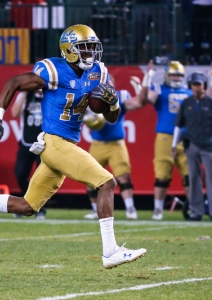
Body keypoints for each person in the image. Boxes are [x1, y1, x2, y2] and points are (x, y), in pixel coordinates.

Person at [0, 24, 146, 269]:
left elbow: (110, 118)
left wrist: (113, 103)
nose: (90, 54)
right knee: (106, 182)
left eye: (92, 49)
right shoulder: (55, 70)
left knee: (27, 206)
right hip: (55, 142)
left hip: (64, 143)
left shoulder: (98, 72)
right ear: (70, 50)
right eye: (84, 49)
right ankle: (110, 252)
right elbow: (14, 82)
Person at [83, 75, 142, 220]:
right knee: (90, 178)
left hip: (116, 144)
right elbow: (81, 115)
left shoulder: (121, 96)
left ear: (114, 84)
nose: (106, 86)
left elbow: (138, 103)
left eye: (108, 82)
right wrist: (88, 117)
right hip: (98, 143)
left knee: (123, 176)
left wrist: (137, 87)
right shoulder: (92, 99)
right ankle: (94, 209)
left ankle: (130, 208)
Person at [140, 60, 192, 220]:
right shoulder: (159, 89)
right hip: (165, 137)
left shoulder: (190, 91)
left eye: (179, 75)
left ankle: (193, 207)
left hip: (187, 137)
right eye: (173, 75)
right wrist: (148, 77)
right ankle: (158, 209)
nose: (176, 78)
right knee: (162, 175)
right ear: (167, 76)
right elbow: (145, 98)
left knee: (189, 175)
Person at [172, 71, 212, 221]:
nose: (196, 87)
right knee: (194, 179)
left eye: (199, 84)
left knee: (211, 179)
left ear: (204, 86)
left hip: (209, 145)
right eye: (194, 84)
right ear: (190, 86)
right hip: (191, 145)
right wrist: (174, 145)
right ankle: (196, 212)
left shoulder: (210, 102)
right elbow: (178, 125)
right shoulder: (186, 103)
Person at [11, 89, 46, 219]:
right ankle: (28, 202)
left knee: (40, 178)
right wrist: (25, 93)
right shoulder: (25, 95)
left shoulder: (51, 94)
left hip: (44, 142)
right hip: (27, 142)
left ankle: (40, 208)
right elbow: (15, 112)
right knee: (20, 174)